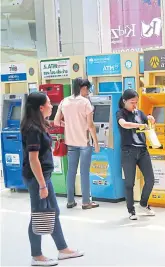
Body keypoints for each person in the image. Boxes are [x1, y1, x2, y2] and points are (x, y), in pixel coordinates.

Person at [21, 92, 84, 266]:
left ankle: (63, 249)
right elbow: (33, 160)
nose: (51, 105)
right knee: (38, 215)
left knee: (53, 212)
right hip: (37, 179)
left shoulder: (39, 125)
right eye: (49, 103)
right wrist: (42, 185)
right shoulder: (33, 129)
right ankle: (36, 256)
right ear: (41, 107)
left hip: (44, 176)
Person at [54, 78, 99, 210]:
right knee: (84, 172)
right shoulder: (85, 102)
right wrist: (96, 143)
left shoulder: (64, 101)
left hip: (70, 142)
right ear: (83, 87)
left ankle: (70, 201)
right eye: (87, 89)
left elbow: (56, 122)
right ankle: (86, 202)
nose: (88, 92)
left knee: (71, 171)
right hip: (84, 142)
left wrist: (68, 125)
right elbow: (90, 126)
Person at [116, 89, 156, 219]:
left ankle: (143, 204)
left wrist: (150, 118)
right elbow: (124, 124)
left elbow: (148, 122)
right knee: (129, 183)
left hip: (142, 151)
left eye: (136, 102)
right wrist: (138, 125)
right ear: (124, 101)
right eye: (132, 102)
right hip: (128, 151)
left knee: (150, 179)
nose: (135, 105)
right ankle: (131, 210)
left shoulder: (139, 113)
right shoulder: (120, 113)